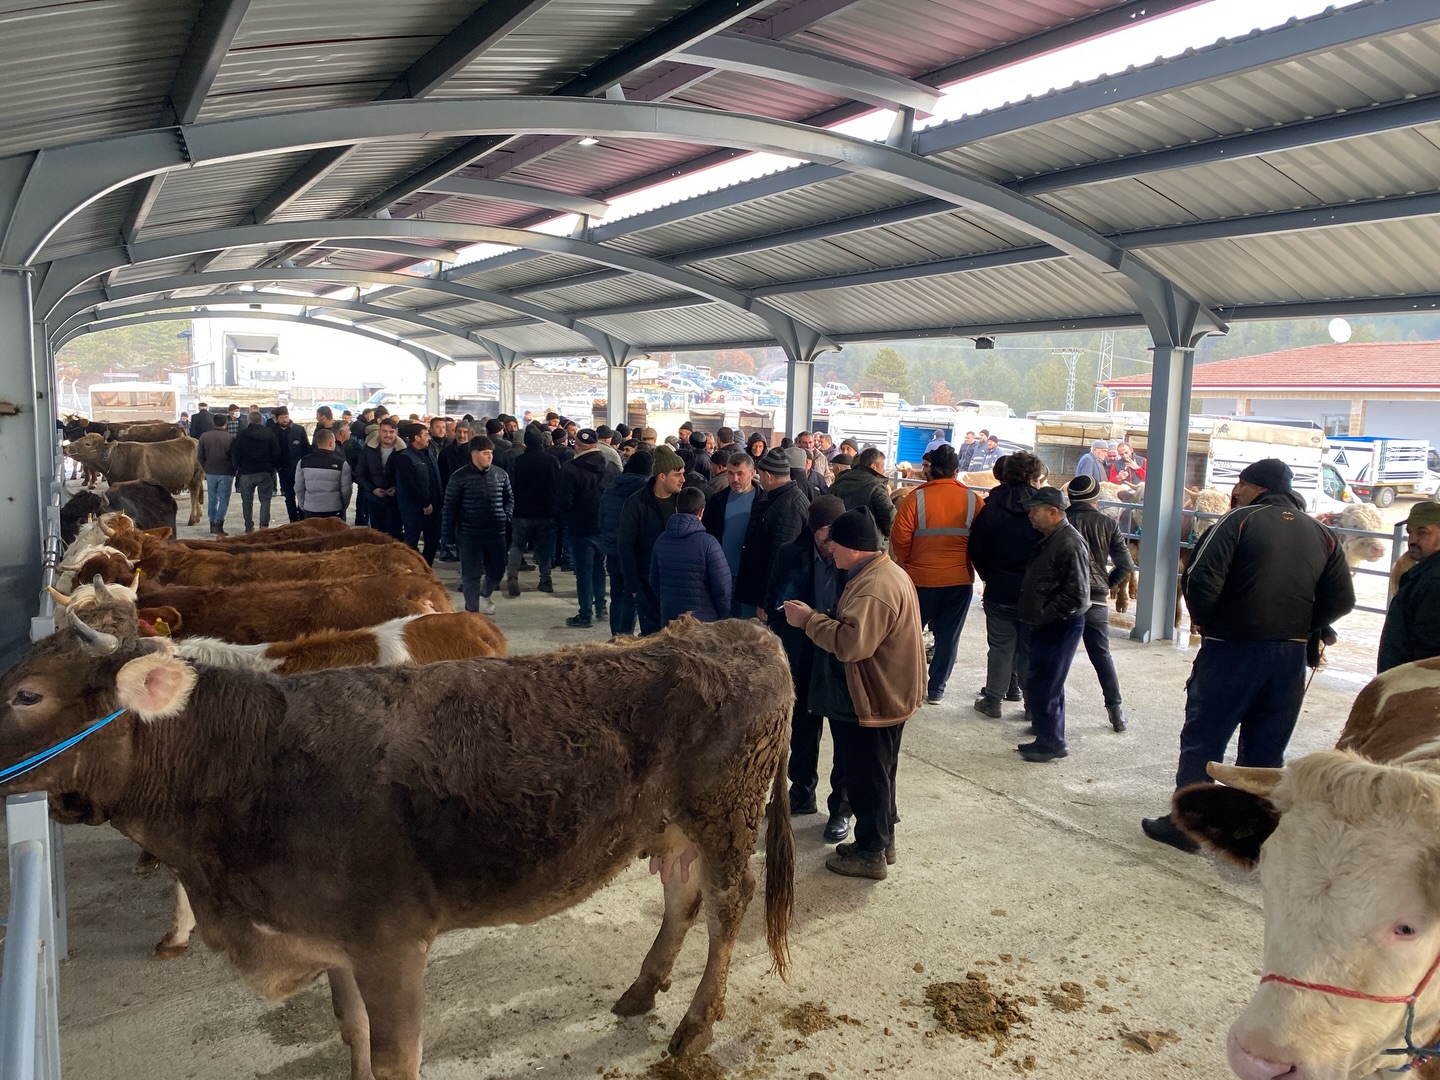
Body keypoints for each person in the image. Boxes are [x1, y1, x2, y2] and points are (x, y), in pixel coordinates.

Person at [1142, 458, 1355, 852]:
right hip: (1290, 657)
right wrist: (1305, 624)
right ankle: (1248, 832)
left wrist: (1210, 622)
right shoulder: (1321, 533)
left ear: (1259, 487)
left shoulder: (1237, 521)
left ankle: (1188, 827)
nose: (1235, 491)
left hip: (1231, 650)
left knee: (1205, 738)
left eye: (1241, 483)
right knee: (1266, 748)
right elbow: (1342, 599)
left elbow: (1199, 578)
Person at [782, 506, 924, 881]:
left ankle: (871, 854)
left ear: (856, 547)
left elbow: (851, 644)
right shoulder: (880, 573)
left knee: (867, 780)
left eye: (836, 544)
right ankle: (880, 843)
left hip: (875, 697)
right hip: (886, 692)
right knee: (880, 774)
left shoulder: (874, 587)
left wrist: (808, 620)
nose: (830, 551)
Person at [768, 495, 850, 834]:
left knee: (845, 738)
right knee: (801, 731)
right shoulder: (791, 555)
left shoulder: (854, 558)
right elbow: (775, 605)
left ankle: (840, 810)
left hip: (841, 659)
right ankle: (802, 793)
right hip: (803, 656)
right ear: (814, 529)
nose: (832, 540)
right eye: (826, 531)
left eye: (837, 530)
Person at [890, 444, 983, 705]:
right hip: (959, 581)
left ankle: (906, 685)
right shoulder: (973, 501)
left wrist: (910, 562)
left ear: (929, 470)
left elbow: (899, 537)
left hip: (921, 580)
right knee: (948, 638)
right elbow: (982, 540)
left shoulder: (915, 499)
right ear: (956, 470)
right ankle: (937, 689)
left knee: (908, 635)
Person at [1015, 487, 1090, 763]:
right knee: (1042, 681)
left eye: (1035, 510)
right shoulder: (1051, 539)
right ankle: (1046, 735)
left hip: (1060, 625)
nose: (1030, 514)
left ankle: (1052, 742)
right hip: (1048, 623)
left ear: (1053, 512)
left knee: (1047, 683)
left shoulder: (1069, 543)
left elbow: (1077, 594)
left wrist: (1045, 614)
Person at [969, 452, 1046, 717]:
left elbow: (976, 548)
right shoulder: (1042, 509)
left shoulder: (990, 507)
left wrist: (988, 575)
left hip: (999, 588)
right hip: (1034, 592)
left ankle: (993, 701)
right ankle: (1030, 705)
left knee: (1001, 647)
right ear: (1033, 476)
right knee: (1028, 649)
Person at [1064, 475, 1135, 732]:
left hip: (1064, 598)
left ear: (1070, 498)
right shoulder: (1108, 523)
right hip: (1096, 599)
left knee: (1056, 656)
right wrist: (1106, 584)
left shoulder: (1059, 519)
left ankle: (1038, 711)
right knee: (1101, 655)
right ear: (1095, 499)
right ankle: (1116, 712)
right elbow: (1125, 565)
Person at [441, 436, 514, 616]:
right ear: (474, 454)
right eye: (485, 453)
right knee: (471, 575)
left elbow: (509, 498)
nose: (490, 456)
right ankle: (472, 612)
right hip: (470, 534)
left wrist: (506, 515)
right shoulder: (459, 477)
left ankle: (485, 593)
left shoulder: (500, 474)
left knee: (498, 570)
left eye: (491, 453)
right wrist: (447, 537)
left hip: (496, 532)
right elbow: (449, 507)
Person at [734, 447, 811, 618]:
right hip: (761, 592)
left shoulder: (789, 506)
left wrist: (765, 601)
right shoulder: (782, 499)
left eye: (760, 475)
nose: (759, 479)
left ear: (768, 476)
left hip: (767, 598)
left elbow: (779, 558)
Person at [618, 445, 686, 635]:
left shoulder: (683, 502)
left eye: (683, 474)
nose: (683, 479)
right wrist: (633, 586)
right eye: (677, 474)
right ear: (662, 476)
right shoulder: (636, 503)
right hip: (647, 584)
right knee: (652, 637)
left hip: (678, 583)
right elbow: (626, 545)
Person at [558, 429, 618, 628]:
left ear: (576, 446)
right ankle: (601, 607)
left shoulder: (569, 469)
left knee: (583, 572)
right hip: (604, 528)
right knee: (599, 567)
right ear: (596, 445)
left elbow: (564, 502)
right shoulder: (611, 467)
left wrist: (568, 519)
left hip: (581, 528)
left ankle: (585, 614)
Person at [650, 486, 732, 624]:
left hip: (671, 621)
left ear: (676, 508)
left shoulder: (661, 540)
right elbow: (722, 586)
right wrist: (723, 613)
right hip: (703, 623)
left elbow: (654, 582)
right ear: (701, 512)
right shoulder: (709, 543)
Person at [1379, 502, 1440, 672]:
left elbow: (1429, 648)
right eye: (1410, 532)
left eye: (1422, 532)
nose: (1412, 540)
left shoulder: (1434, 581)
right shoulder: (1423, 573)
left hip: (1418, 680)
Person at [599, 449, 652, 636]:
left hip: (613, 550)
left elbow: (601, 518)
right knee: (632, 595)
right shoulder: (646, 491)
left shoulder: (612, 487)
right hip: (634, 553)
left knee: (616, 596)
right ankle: (626, 638)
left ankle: (616, 637)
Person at [703, 450, 761, 618]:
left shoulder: (763, 502)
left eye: (740, 474)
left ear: (752, 473)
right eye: (730, 473)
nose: (734, 479)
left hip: (750, 577)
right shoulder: (717, 501)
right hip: (722, 575)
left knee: (749, 627)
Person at [508, 426, 561, 596]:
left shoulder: (518, 461)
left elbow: (511, 487)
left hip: (522, 511)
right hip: (545, 511)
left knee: (517, 545)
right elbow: (557, 486)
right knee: (543, 548)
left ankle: (512, 577)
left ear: (526, 443)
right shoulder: (552, 461)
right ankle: (546, 580)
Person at [394, 422, 443, 565]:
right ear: (417, 437)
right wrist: (424, 504)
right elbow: (409, 485)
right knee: (411, 542)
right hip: (414, 510)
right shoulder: (405, 458)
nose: (429, 438)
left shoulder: (429, 453)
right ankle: (412, 569)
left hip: (434, 508)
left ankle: (426, 568)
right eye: (426, 435)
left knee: (432, 540)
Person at [829, 447, 897, 537]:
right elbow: (890, 517)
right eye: (882, 466)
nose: (884, 470)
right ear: (873, 466)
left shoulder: (839, 481)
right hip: (869, 540)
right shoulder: (876, 487)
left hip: (840, 537)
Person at [231, 410, 279, 533]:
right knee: (265, 501)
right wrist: (273, 468)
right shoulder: (269, 434)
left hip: (246, 472)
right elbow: (276, 452)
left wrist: (238, 468)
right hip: (265, 471)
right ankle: (264, 527)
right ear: (261, 421)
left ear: (249, 421)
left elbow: (235, 453)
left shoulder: (242, 434)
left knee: (247, 501)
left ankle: (248, 527)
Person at [357, 417, 402, 539]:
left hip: (396, 501)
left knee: (395, 535)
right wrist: (372, 489)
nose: (388, 435)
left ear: (396, 432)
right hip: (374, 500)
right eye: (384, 431)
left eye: (391, 432)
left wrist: (397, 488)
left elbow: (408, 477)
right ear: (379, 431)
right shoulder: (368, 449)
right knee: (376, 536)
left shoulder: (403, 450)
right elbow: (360, 474)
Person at [293, 427, 352, 520]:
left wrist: (303, 505)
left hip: (311, 508)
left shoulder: (303, 462)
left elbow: (299, 487)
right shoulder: (341, 463)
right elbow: (346, 489)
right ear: (331, 443)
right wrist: (344, 505)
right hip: (334, 508)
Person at [196, 414, 235, 536]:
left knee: (212, 498)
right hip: (226, 472)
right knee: (224, 499)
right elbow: (233, 457)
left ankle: (212, 523)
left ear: (214, 423)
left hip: (210, 472)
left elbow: (200, 456)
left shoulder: (204, 436)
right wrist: (234, 470)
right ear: (226, 423)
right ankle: (219, 523)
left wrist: (206, 467)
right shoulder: (230, 438)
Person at [271, 407, 310, 522]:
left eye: (286, 417)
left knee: (302, 495)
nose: (284, 419)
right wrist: (277, 466)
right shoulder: (272, 432)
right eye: (282, 417)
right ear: (276, 419)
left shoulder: (298, 430)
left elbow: (306, 448)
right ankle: (293, 520)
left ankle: (302, 518)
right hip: (283, 469)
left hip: (299, 469)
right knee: (288, 496)